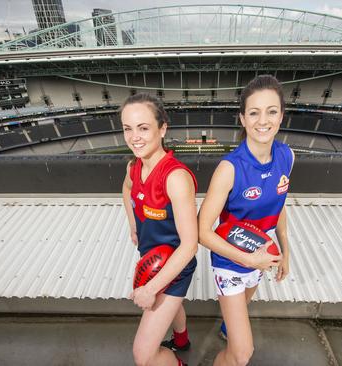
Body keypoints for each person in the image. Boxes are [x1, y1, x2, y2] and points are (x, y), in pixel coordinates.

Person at [198, 75, 293, 366]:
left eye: (271, 111)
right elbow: (202, 231)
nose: (262, 120)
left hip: (260, 256)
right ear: (242, 118)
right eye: (254, 112)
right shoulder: (229, 169)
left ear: (281, 115)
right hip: (230, 262)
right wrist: (248, 260)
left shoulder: (287, 156)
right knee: (242, 355)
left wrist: (286, 251)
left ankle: (229, 327)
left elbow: (279, 207)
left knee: (240, 313)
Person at [121, 93, 198, 366]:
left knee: (143, 356)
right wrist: (133, 225)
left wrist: (152, 288)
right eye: (127, 129)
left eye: (143, 128)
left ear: (162, 128)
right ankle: (181, 340)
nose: (134, 137)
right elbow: (127, 189)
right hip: (152, 256)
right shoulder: (134, 167)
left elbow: (190, 246)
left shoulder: (175, 178)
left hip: (175, 268)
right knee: (171, 305)